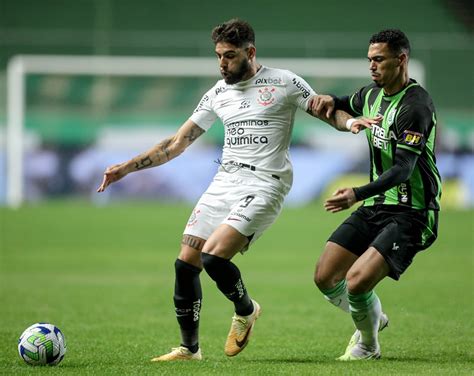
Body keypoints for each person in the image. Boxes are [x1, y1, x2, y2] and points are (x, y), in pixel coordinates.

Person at [97, 19, 375, 361]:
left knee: (214, 256)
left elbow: (325, 110)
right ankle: (189, 349)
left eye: (229, 56)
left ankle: (246, 309)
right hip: (224, 182)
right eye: (218, 56)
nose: (222, 63)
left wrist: (349, 123)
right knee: (186, 265)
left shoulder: (284, 82)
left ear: (250, 52)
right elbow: (177, 142)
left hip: (265, 183)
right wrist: (125, 167)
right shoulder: (217, 94)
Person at [311, 29, 442, 361]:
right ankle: (373, 318)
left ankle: (368, 345)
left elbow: (403, 169)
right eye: (370, 60)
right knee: (325, 277)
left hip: (412, 211)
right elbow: (342, 103)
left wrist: (356, 193)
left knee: (356, 281)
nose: (372, 66)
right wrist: (330, 100)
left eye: (379, 60)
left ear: (401, 60)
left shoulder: (416, 106)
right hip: (376, 205)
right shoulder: (371, 95)